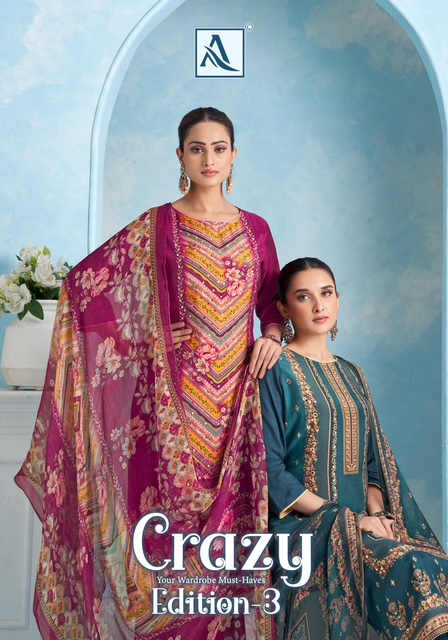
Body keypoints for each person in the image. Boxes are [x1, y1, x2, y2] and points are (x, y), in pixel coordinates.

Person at [15, 107, 283, 640]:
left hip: (238, 404)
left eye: (219, 148)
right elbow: (86, 291)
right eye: (197, 148)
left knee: (232, 539)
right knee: (167, 528)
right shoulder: (157, 225)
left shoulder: (255, 229)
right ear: (181, 156)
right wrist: (148, 333)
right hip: (172, 402)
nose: (209, 159)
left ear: (234, 156)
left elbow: (270, 300)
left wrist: (273, 336)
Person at [259, 257, 448, 639]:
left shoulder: (352, 373)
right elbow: (271, 472)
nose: (319, 305)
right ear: (284, 308)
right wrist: (346, 519)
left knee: (434, 567)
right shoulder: (276, 368)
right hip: (304, 529)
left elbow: (372, 462)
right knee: (412, 570)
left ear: (338, 298)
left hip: (364, 523)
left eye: (326, 293)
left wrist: (380, 517)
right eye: (304, 297)